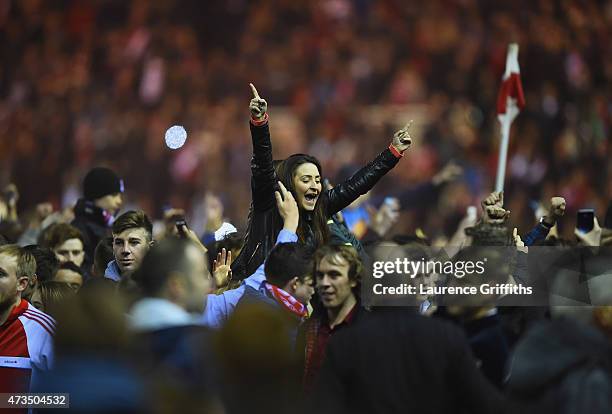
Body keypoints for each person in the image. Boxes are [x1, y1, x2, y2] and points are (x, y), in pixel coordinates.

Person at [231, 83, 414, 280]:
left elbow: (356, 185)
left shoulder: (320, 208)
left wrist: (392, 152)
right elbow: (263, 166)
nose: (315, 186)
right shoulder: (267, 207)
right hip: (257, 298)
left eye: (317, 180)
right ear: (290, 184)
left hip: (299, 303)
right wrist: (259, 124)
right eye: (306, 179)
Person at [203, 181, 300, 328]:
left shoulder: (204, 308)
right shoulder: (245, 296)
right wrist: (291, 224)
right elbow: (261, 280)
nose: (240, 273)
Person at [302, 244, 366, 390]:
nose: (324, 283)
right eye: (320, 275)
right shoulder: (310, 327)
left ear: (353, 280)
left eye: (334, 275)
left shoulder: (369, 330)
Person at [0, 244, 54, 394]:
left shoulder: (44, 331)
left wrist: (10, 402)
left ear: (21, 284)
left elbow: (68, 399)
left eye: (0, 274)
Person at [71, 167, 124, 273]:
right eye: (114, 195)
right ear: (96, 194)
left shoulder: (109, 226)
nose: (119, 201)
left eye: (120, 195)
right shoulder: (79, 229)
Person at [104, 210, 154, 283]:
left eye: (134, 242)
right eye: (119, 243)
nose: (125, 250)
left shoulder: (164, 288)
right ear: (113, 246)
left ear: (150, 248)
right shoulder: (98, 290)